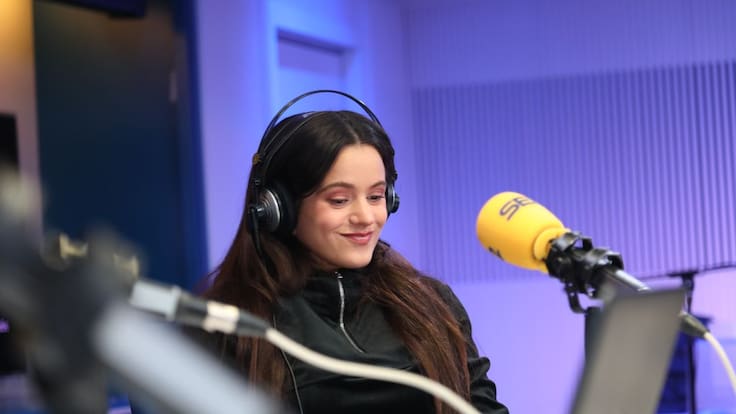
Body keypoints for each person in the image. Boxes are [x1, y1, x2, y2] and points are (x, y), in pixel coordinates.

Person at [199, 92, 509, 414]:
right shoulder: (233, 324)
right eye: (339, 200)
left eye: (375, 197)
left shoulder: (432, 303)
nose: (365, 217)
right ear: (279, 208)